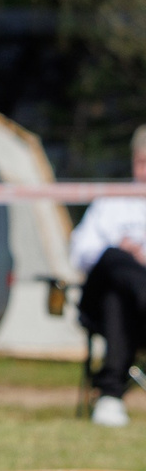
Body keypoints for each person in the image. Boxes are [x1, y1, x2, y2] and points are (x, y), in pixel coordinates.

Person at [68, 125, 146, 428]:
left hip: (129, 310)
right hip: (95, 304)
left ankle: (110, 394)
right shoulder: (111, 202)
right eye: (142, 162)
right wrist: (125, 256)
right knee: (113, 259)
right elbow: (80, 252)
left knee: (120, 292)